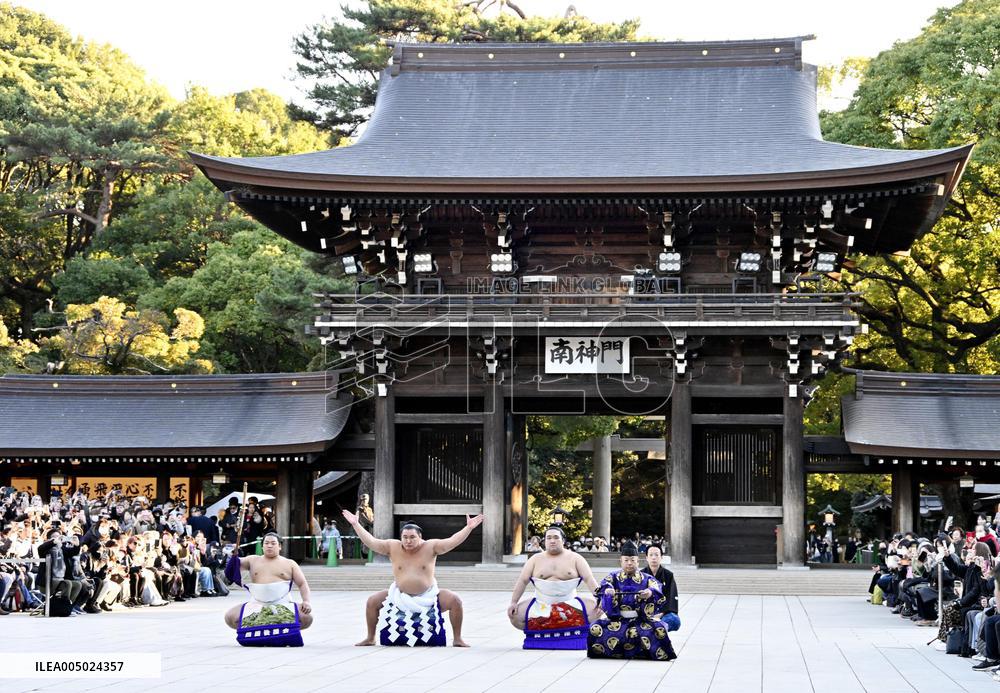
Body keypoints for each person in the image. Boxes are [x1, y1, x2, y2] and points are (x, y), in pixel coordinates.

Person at [342, 508, 481, 647]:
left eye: (412, 537)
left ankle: (457, 639)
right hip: (399, 596)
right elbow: (371, 541)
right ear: (401, 537)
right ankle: (370, 637)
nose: (408, 541)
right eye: (405, 537)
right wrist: (356, 524)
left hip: (428, 596)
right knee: (372, 602)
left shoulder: (431, 547)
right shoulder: (392, 546)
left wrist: (468, 528)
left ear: (420, 537)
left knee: (455, 601)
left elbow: (452, 541)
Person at [587, 541, 677, 661]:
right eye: (626, 560)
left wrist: (649, 592)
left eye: (632, 560)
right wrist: (608, 590)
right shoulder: (613, 576)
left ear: (638, 561)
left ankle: (639, 652)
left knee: (657, 630)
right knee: (595, 627)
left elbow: (656, 587)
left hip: (640, 620)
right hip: (617, 620)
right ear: (621, 561)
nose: (629, 563)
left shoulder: (647, 578)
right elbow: (604, 585)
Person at [507, 526, 602, 633]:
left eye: (556, 537)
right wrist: (513, 602)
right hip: (541, 602)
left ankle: (567, 628)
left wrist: (599, 599)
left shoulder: (576, 558)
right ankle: (547, 630)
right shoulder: (534, 560)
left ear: (563, 540)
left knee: (596, 611)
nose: (552, 541)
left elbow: (589, 579)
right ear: (544, 541)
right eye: (549, 538)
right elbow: (522, 581)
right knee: (515, 616)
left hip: (571, 601)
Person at [224, 532, 313, 641]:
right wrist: (233, 553)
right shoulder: (252, 560)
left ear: (280, 546)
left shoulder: (290, 563)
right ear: (262, 546)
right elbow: (234, 565)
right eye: (266, 543)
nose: (269, 546)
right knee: (230, 617)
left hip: (283, 603)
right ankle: (259, 630)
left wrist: (306, 601)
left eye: (273, 543)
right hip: (256, 603)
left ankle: (282, 631)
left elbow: (302, 584)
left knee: (306, 618)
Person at [642, 544, 680, 633]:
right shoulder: (640, 575)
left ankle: (652, 631)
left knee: (674, 620)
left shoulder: (668, 575)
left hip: (663, 614)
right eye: (651, 555)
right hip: (645, 613)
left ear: (661, 557)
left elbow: (671, 597)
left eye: (656, 555)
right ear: (647, 557)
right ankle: (656, 630)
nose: (653, 558)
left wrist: (661, 614)